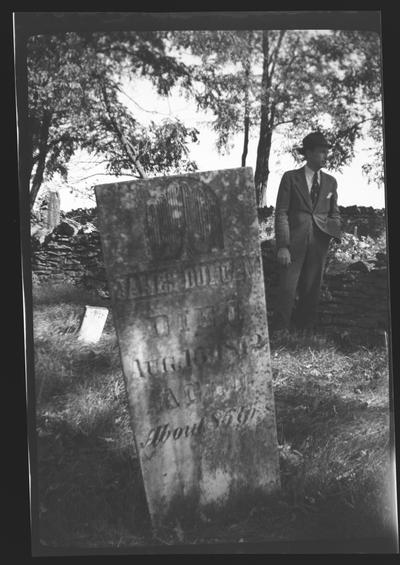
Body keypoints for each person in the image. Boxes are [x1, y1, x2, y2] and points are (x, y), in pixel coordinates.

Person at [271, 132, 341, 332]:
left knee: (312, 290)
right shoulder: (290, 178)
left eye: (326, 152)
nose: (325, 156)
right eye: (321, 152)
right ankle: (280, 334)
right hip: (294, 242)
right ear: (308, 153)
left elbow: (334, 213)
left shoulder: (331, 182)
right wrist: (283, 246)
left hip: (319, 242)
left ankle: (305, 336)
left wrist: (333, 234)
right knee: (287, 289)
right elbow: (281, 213)